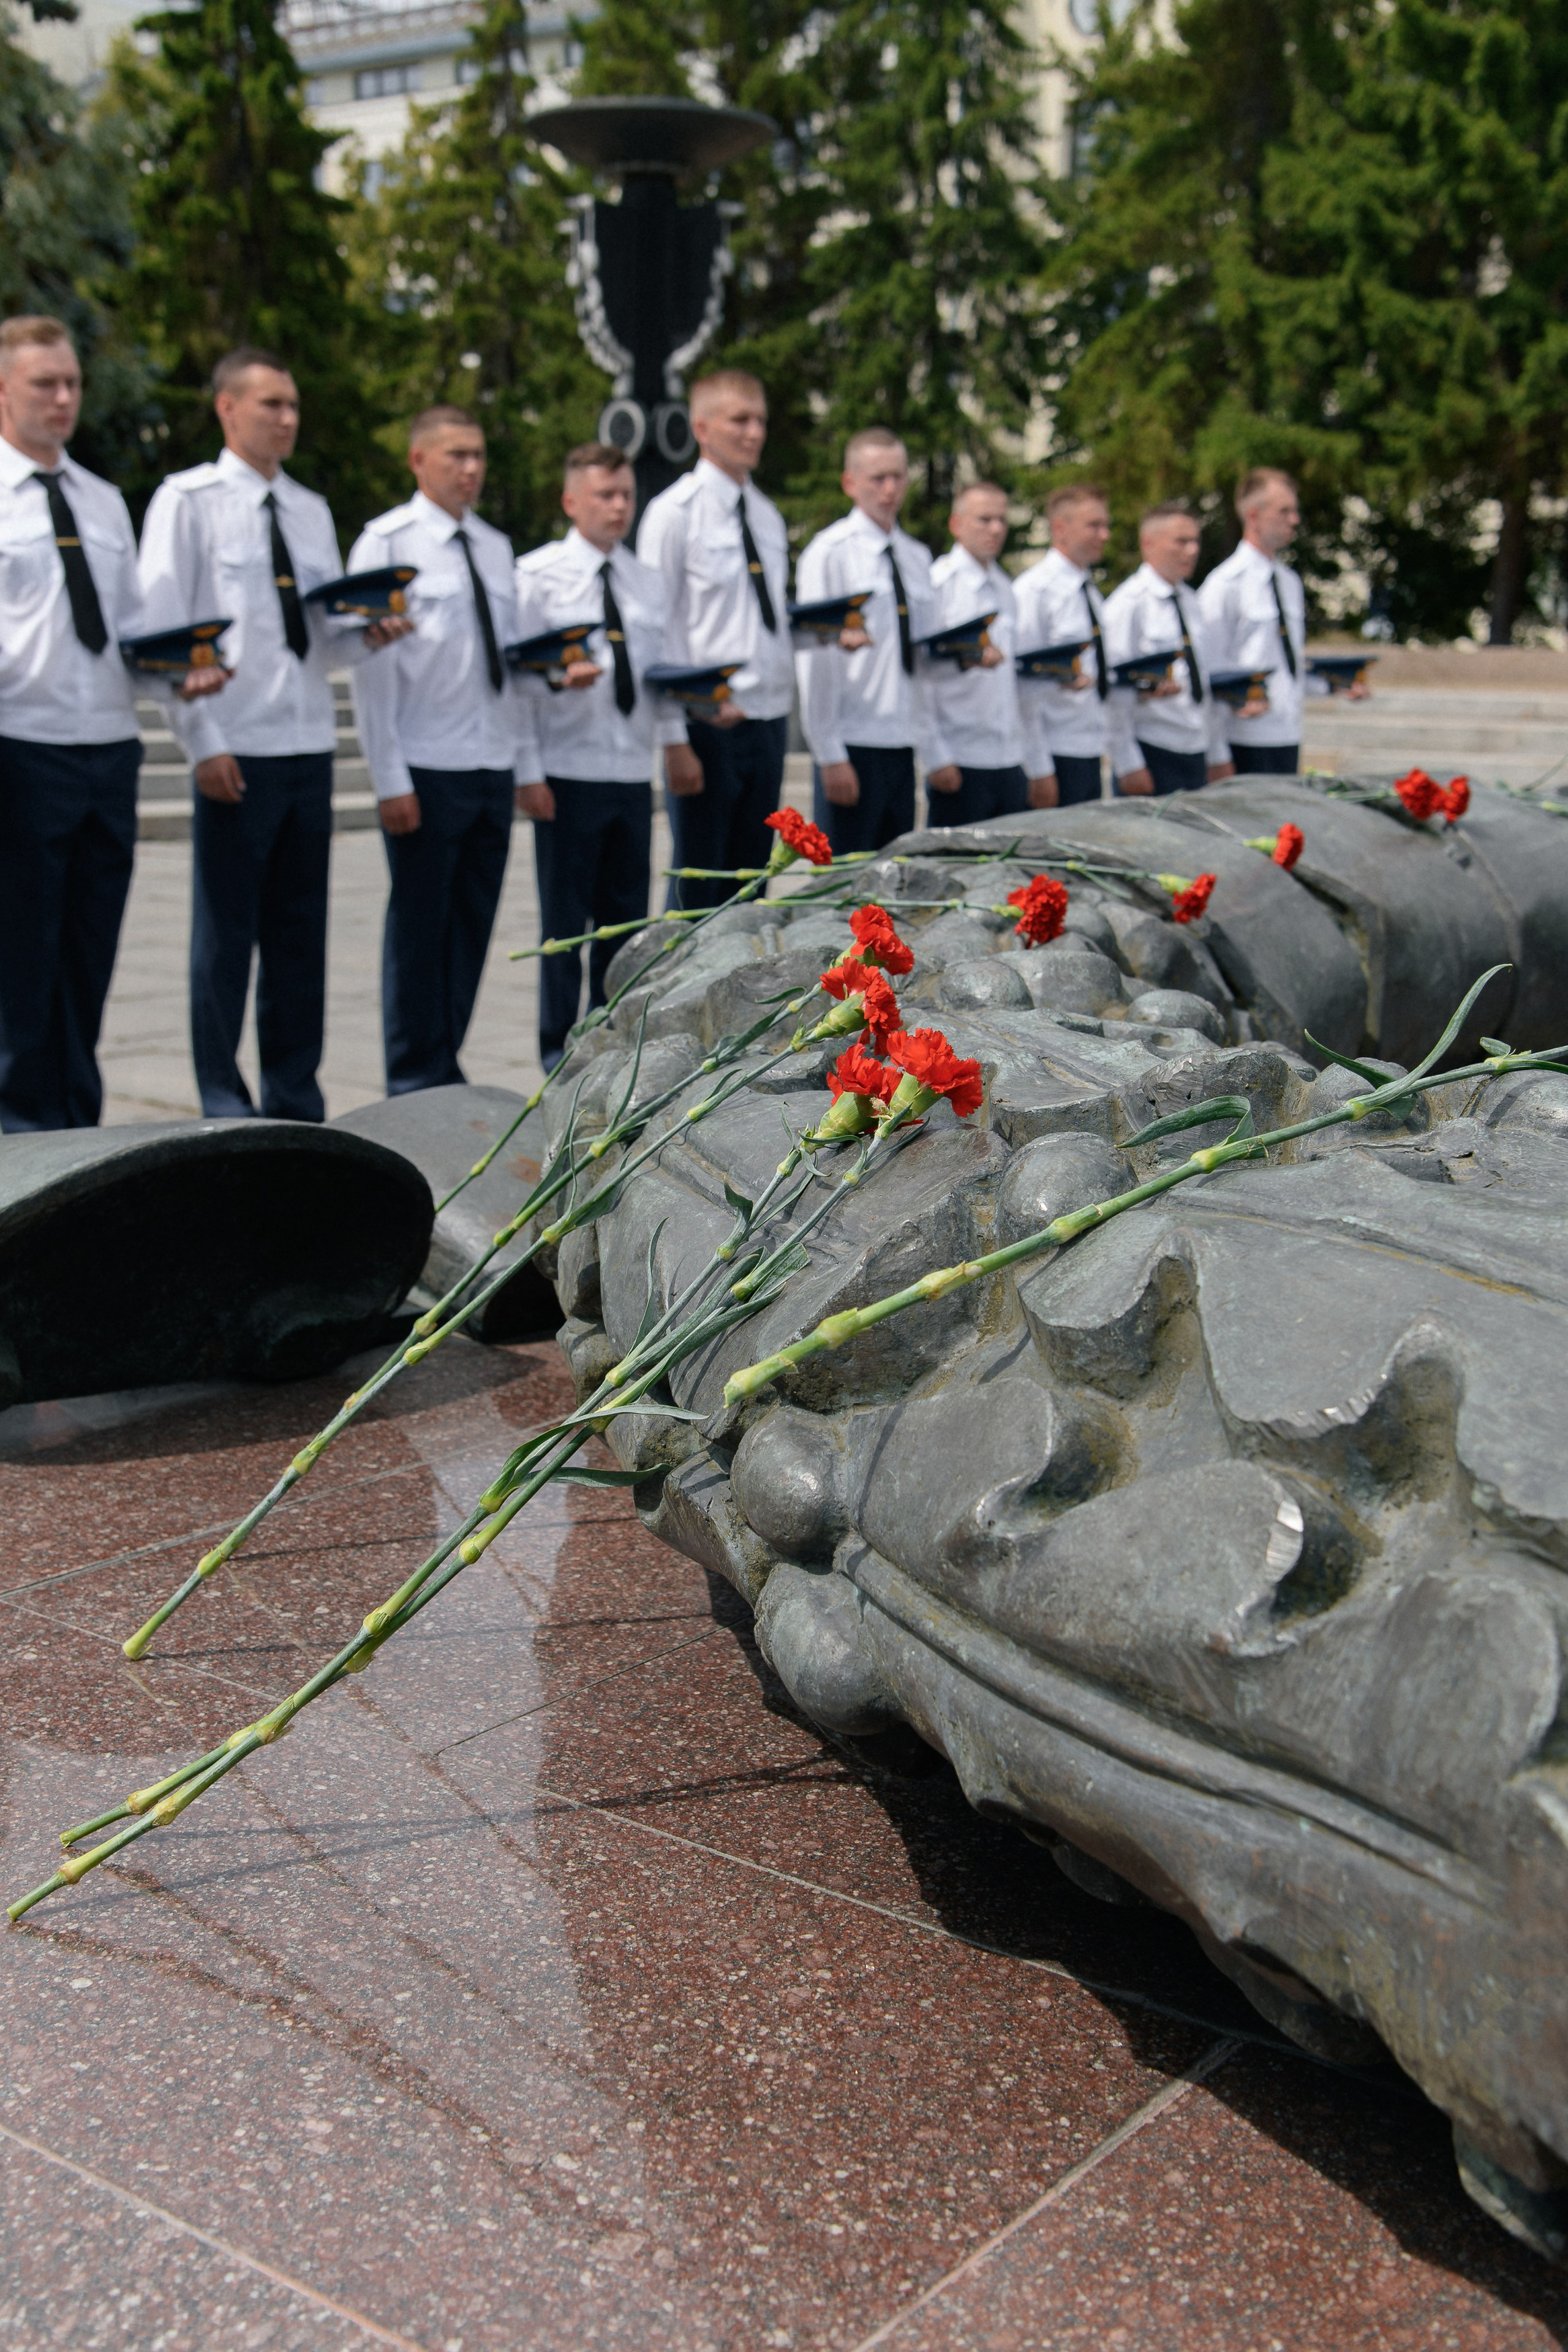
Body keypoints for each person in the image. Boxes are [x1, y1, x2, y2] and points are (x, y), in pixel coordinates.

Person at [138, 347, 409, 1123]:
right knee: (226, 938)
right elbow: (165, 636)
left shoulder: (309, 510)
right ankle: (224, 1101)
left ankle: (295, 1098)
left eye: (293, 405)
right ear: (227, 408)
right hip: (237, 744)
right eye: (271, 405)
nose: (288, 419)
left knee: (299, 936)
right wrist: (201, 742)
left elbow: (320, 637)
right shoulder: (187, 502)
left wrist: (367, 636)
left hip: (306, 743)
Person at [0, 316, 224, 1132]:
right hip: (22, 747)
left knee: (89, 950)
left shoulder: (100, 500)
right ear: (4, 388)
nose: (64, 398)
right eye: (45, 384)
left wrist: (180, 669)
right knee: (21, 955)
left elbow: (129, 629)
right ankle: (17, 1134)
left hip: (107, 750)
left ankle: (73, 1125)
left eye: (72, 383)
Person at [348, 405, 529, 1095]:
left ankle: (445, 1060)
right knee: (420, 927)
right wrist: (388, 776)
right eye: (456, 455)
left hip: (489, 760)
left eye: (478, 455)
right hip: (424, 763)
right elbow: (371, 672)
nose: (471, 468)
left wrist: (519, 761)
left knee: (472, 925)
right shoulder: (386, 543)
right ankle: (410, 1075)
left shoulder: (495, 547)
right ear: (418, 460)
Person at [515, 443, 683, 1069]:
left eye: (626, 495)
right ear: (571, 501)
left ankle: (610, 1045)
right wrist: (528, 770)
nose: (619, 507)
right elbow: (519, 682)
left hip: (629, 770)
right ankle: (555, 1052)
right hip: (567, 770)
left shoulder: (645, 580)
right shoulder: (538, 576)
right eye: (605, 496)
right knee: (564, 927)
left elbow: (659, 671)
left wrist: (677, 737)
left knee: (624, 922)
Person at [636, 370, 792, 911]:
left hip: (766, 719)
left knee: (750, 887)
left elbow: (764, 619)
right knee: (698, 889)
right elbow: (655, 632)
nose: (754, 433)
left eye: (761, 421)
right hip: (705, 723)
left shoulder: (767, 516)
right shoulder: (674, 513)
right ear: (702, 428)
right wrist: (673, 738)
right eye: (739, 420)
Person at [795, 426, 937, 856]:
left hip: (901, 739)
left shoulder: (917, 557)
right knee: (844, 880)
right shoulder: (830, 552)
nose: (890, 489)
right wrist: (829, 751)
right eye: (878, 478)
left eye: (898, 477)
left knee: (893, 876)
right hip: (853, 740)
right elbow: (815, 659)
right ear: (850, 483)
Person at [1198, 467, 1365, 774]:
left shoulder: (1289, 582)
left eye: (1295, 511)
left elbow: (1287, 667)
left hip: (1286, 734)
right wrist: (1217, 755)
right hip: (1243, 741)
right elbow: (1209, 673)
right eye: (1284, 511)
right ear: (1253, 516)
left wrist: (1335, 685)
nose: (1295, 520)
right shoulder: (1225, 585)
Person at [924, 481, 1044, 829]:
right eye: (984, 519)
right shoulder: (938, 585)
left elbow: (1012, 683)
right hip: (961, 758)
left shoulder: (1006, 588)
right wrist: (935, 755)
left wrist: (1032, 761)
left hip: (1008, 758)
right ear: (956, 524)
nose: (996, 529)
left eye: (1002, 520)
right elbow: (921, 678)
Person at [1102, 502, 1233, 796]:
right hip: (1152, 751)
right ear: (1148, 544)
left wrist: (1217, 754)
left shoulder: (1191, 602)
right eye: (1181, 542)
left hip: (1194, 748)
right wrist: (1128, 763)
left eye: (1195, 541)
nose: (1192, 551)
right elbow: (1112, 692)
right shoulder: (1128, 605)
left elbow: (1202, 683)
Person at [1012, 483, 1114, 807]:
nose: (1105, 535)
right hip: (1054, 754)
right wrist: (1038, 767)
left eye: (1106, 525)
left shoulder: (1089, 591)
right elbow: (1022, 687)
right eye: (1093, 526)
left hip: (1088, 748)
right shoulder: (1036, 591)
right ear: (1060, 528)